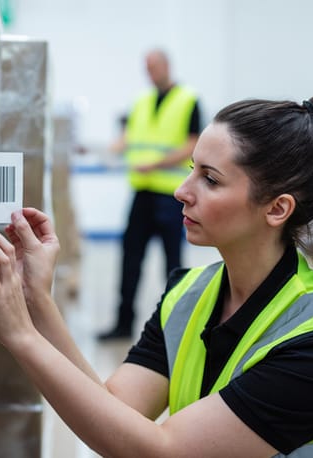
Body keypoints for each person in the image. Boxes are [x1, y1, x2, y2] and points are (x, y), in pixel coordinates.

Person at [0, 95, 313, 457]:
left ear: (276, 209)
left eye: (210, 179)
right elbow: (117, 409)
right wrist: (37, 300)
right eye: (192, 168)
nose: (182, 189)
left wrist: (22, 338)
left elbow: (164, 450)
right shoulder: (188, 295)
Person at [100, 49, 202, 340]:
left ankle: (176, 327)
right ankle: (123, 324)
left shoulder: (188, 100)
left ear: (167, 66)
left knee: (173, 264)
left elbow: (192, 144)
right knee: (130, 260)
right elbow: (129, 136)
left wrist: (156, 163)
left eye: (153, 66)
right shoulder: (141, 102)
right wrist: (110, 150)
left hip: (173, 196)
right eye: (146, 68)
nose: (150, 73)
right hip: (142, 194)